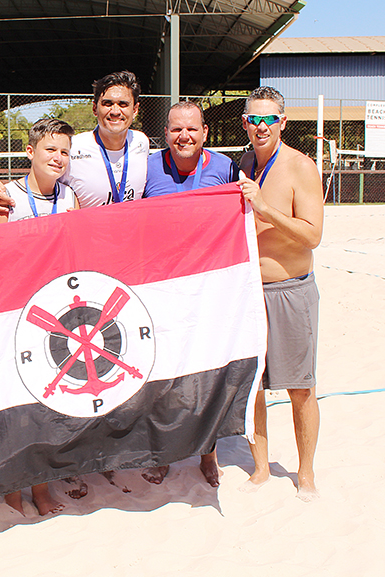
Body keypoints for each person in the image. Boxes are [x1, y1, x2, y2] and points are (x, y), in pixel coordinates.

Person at [0, 117, 78, 515]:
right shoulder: (8, 196)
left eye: (64, 152)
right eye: (50, 149)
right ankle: (12, 491)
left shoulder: (69, 198)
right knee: (15, 411)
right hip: (14, 315)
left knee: (44, 406)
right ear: (30, 152)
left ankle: (40, 488)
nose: (57, 158)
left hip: (51, 313)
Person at [142, 99, 240, 487]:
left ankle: (208, 452)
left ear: (204, 133)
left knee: (207, 372)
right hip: (162, 288)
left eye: (191, 129)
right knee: (165, 376)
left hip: (208, 289)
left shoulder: (224, 168)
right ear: (165, 133)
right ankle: (167, 452)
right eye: (176, 129)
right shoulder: (147, 168)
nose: (184, 136)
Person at [237, 86, 324, 501]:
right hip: (251, 293)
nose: (261, 126)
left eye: (269, 118)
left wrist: (266, 209)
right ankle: (259, 467)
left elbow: (313, 236)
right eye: (254, 119)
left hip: (290, 290)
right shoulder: (244, 164)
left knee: (300, 388)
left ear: (282, 122)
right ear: (245, 124)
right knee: (253, 385)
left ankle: (305, 473)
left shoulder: (300, 167)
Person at [0, 70, 149, 216]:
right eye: (107, 103)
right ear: (94, 109)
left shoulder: (141, 142)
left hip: (130, 242)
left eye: (123, 104)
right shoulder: (72, 148)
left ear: (135, 110)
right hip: (89, 244)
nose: (115, 111)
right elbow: (39, 177)